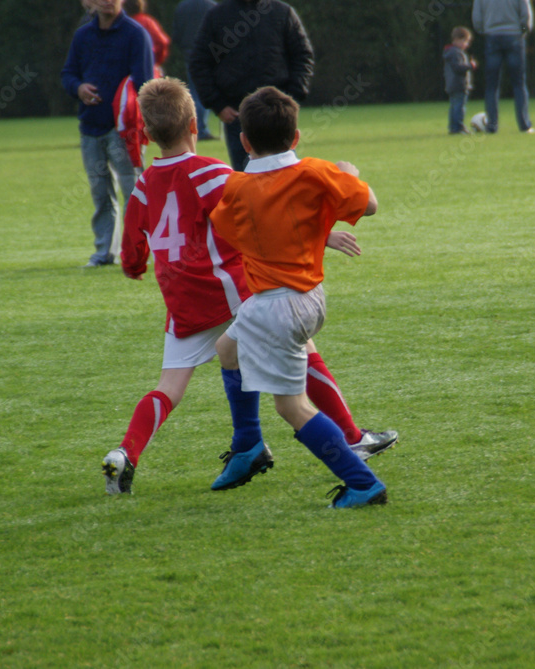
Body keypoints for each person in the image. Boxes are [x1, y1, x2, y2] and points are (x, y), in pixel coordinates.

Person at [101, 78, 396, 496]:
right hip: (238, 290)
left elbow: (134, 256)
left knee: (172, 387)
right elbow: (274, 205)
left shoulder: (146, 187)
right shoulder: (215, 173)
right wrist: (323, 229)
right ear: (193, 127)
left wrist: (137, 267)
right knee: (288, 372)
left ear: (146, 134)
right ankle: (348, 451)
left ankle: (134, 451)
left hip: (184, 303)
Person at [209, 86, 388, 509]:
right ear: (296, 137)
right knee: (227, 347)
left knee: (292, 407)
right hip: (304, 298)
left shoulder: (236, 188)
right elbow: (372, 205)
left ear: (245, 142)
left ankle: (362, 483)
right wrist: (349, 173)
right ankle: (248, 444)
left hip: (278, 305)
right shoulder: (315, 172)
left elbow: (235, 233)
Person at [61, 0, 154, 268]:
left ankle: (138, 251)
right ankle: (104, 252)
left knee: (133, 193)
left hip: (124, 129)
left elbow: (144, 83)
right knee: (100, 194)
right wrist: (78, 88)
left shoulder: (136, 34)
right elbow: (68, 73)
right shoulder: (83, 35)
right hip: (90, 127)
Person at [189, 0, 313, 171]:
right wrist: (219, 104)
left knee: (285, 175)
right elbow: (199, 62)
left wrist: (290, 98)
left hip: (277, 114)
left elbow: (303, 57)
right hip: (237, 115)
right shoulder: (217, 16)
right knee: (246, 178)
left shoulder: (282, 13)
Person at [472, 0, 535, 134]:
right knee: (519, 84)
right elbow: (526, 15)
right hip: (514, 36)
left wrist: (486, 30)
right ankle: (524, 126)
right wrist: (523, 31)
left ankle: (492, 126)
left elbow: (477, 19)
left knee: (492, 85)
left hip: (492, 37)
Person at [171, 0, 217, 140]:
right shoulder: (212, 6)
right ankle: (200, 129)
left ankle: (194, 127)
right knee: (202, 91)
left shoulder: (182, 6)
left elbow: (176, 34)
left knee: (194, 90)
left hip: (189, 52)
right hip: (210, 53)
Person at [444, 26, 477, 135]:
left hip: (452, 85)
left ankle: (453, 127)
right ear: (457, 40)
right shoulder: (456, 53)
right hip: (459, 85)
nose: (467, 45)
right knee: (459, 107)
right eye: (465, 41)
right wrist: (470, 66)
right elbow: (458, 68)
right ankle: (458, 127)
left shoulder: (450, 52)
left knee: (454, 106)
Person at [125, 0, 170, 77]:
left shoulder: (123, 23)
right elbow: (162, 42)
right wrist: (155, 61)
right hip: (148, 68)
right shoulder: (147, 21)